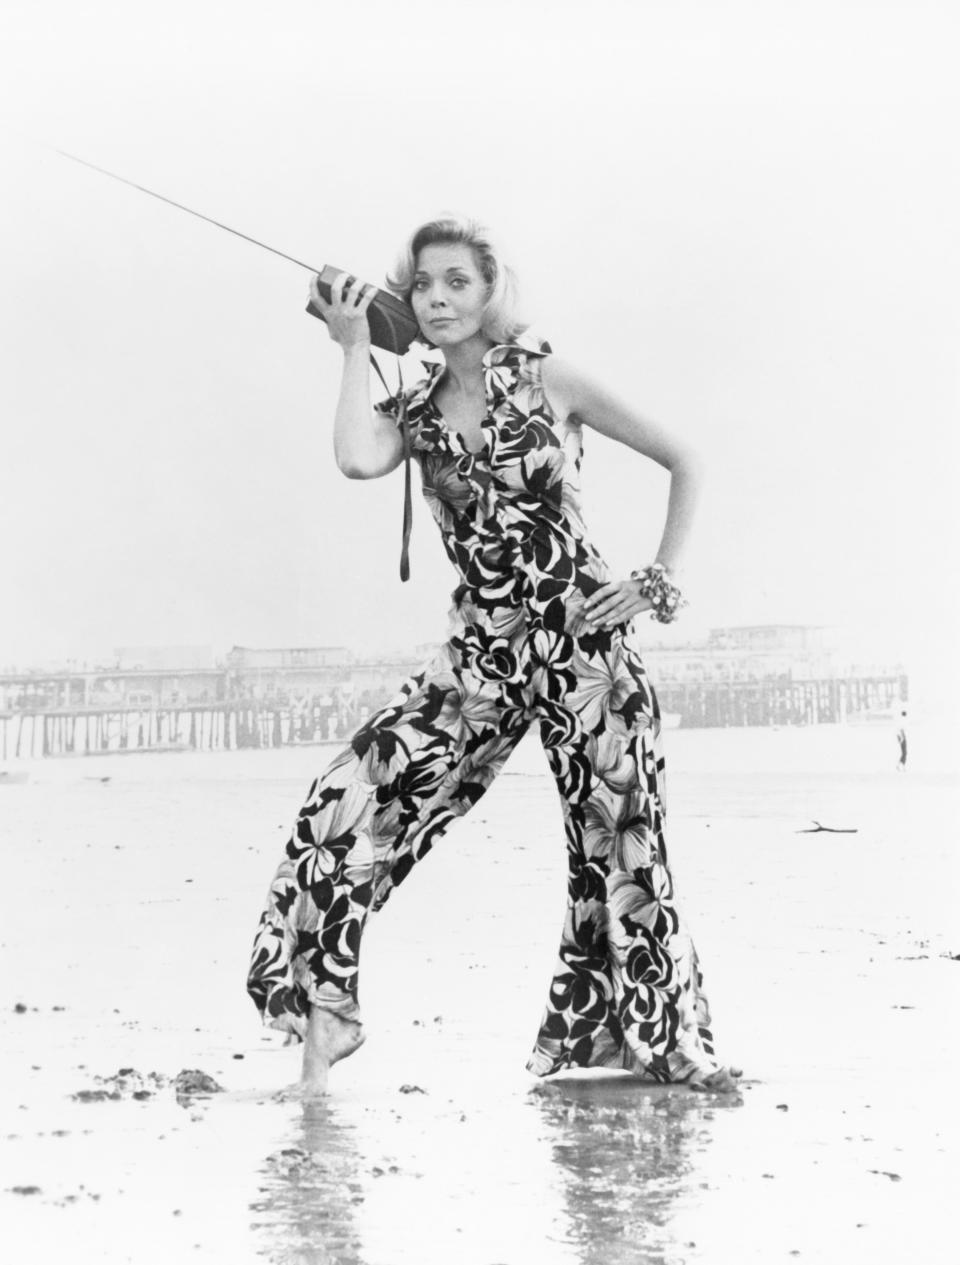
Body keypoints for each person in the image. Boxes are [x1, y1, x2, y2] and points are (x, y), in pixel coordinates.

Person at [247, 216, 738, 1096]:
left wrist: (657, 581)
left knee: (621, 851)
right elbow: (358, 459)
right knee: (345, 802)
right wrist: (353, 344)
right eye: (423, 285)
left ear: (488, 292)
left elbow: (687, 458)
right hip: (481, 656)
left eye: (455, 284)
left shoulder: (550, 376)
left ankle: (667, 1049)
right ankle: (324, 1039)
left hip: (588, 652)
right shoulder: (417, 409)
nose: (436, 300)